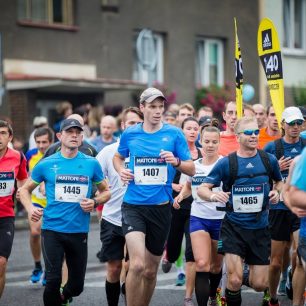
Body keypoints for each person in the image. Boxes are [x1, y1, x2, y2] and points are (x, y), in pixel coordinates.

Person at [113, 87, 195, 306]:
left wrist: (176, 162)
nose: (158, 111)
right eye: (152, 106)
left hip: (161, 208)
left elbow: (192, 169)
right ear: (142, 108)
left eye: (161, 106)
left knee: (150, 271)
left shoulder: (174, 134)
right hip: (133, 206)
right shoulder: (131, 133)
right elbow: (118, 157)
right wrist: (121, 169)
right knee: (137, 264)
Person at [20, 118, 111, 306]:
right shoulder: (47, 164)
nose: (74, 135)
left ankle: (63, 297)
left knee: (77, 287)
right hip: (52, 229)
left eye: (78, 132)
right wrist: (30, 209)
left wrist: (94, 202)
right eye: (70, 132)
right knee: (52, 281)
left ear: (82, 136)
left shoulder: (91, 163)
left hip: (78, 231)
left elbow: (107, 191)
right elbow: (24, 190)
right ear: (60, 136)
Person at [198, 116, 283, 306]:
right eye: (249, 133)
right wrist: (213, 196)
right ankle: (234, 281)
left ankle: (245, 273)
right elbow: (203, 188)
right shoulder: (227, 163)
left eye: (256, 132)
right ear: (237, 137)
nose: (254, 136)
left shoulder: (268, 160)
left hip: (260, 228)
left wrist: (277, 192)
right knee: (234, 281)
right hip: (233, 227)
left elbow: (279, 182)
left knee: (260, 284)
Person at [96, 107, 143, 306]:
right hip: (112, 218)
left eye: (137, 123)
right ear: (123, 126)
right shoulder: (108, 152)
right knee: (114, 268)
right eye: (129, 123)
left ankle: (130, 294)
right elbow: (93, 179)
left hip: (140, 217)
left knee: (134, 265)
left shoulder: (147, 150)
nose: (133, 126)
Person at [174, 123, 225, 306]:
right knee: (202, 263)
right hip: (198, 218)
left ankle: (213, 295)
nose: (210, 145)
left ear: (219, 143)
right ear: (200, 142)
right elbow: (188, 187)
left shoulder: (225, 164)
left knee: (216, 266)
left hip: (220, 220)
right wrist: (180, 197)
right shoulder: (193, 167)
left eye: (214, 142)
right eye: (206, 141)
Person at [264, 106, 305, 306]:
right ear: (283, 125)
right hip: (278, 209)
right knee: (275, 262)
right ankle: (271, 297)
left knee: (299, 257)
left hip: (299, 209)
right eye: (292, 124)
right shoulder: (273, 148)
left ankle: (292, 276)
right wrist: (275, 168)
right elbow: (260, 174)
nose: (296, 127)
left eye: (299, 123)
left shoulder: (305, 145)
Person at [162, 117, 202, 306]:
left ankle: (188, 296)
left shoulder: (202, 153)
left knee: (191, 253)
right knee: (173, 248)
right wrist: (173, 186)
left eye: (195, 128)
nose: (193, 132)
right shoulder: (174, 153)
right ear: (182, 131)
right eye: (189, 128)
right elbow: (163, 178)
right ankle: (168, 256)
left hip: (196, 209)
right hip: (176, 207)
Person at [0, 120, 28, 299]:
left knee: (1, 263)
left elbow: (23, 180)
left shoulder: (17, 157)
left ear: (9, 137)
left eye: (2, 133)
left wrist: (22, 194)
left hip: (5, 217)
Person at [25, 127, 54, 285]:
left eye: (45, 142)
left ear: (51, 142)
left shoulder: (56, 154)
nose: (42, 146)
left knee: (49, 236)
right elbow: (25, 177)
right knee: (35, 232)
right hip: (36, 201)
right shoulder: (30, 156)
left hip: (54, 203)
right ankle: (37, 266)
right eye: (38, 142)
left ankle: (50, 271)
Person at [282, 157, 306, 306]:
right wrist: (293, 207)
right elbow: (286, 191)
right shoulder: (301, 160)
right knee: (301, 265)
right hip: (305, 228)